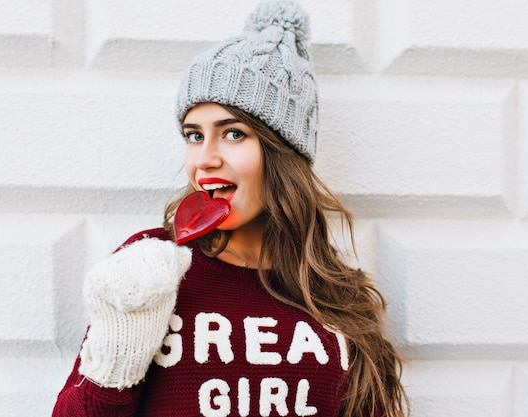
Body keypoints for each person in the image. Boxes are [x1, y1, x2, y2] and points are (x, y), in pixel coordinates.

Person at [52, 1, 408, 416]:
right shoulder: (149, 267)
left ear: (282, 152)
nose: (204, 158)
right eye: (193, 135)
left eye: (233, 133)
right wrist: (116, 356)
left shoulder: (336, 295)